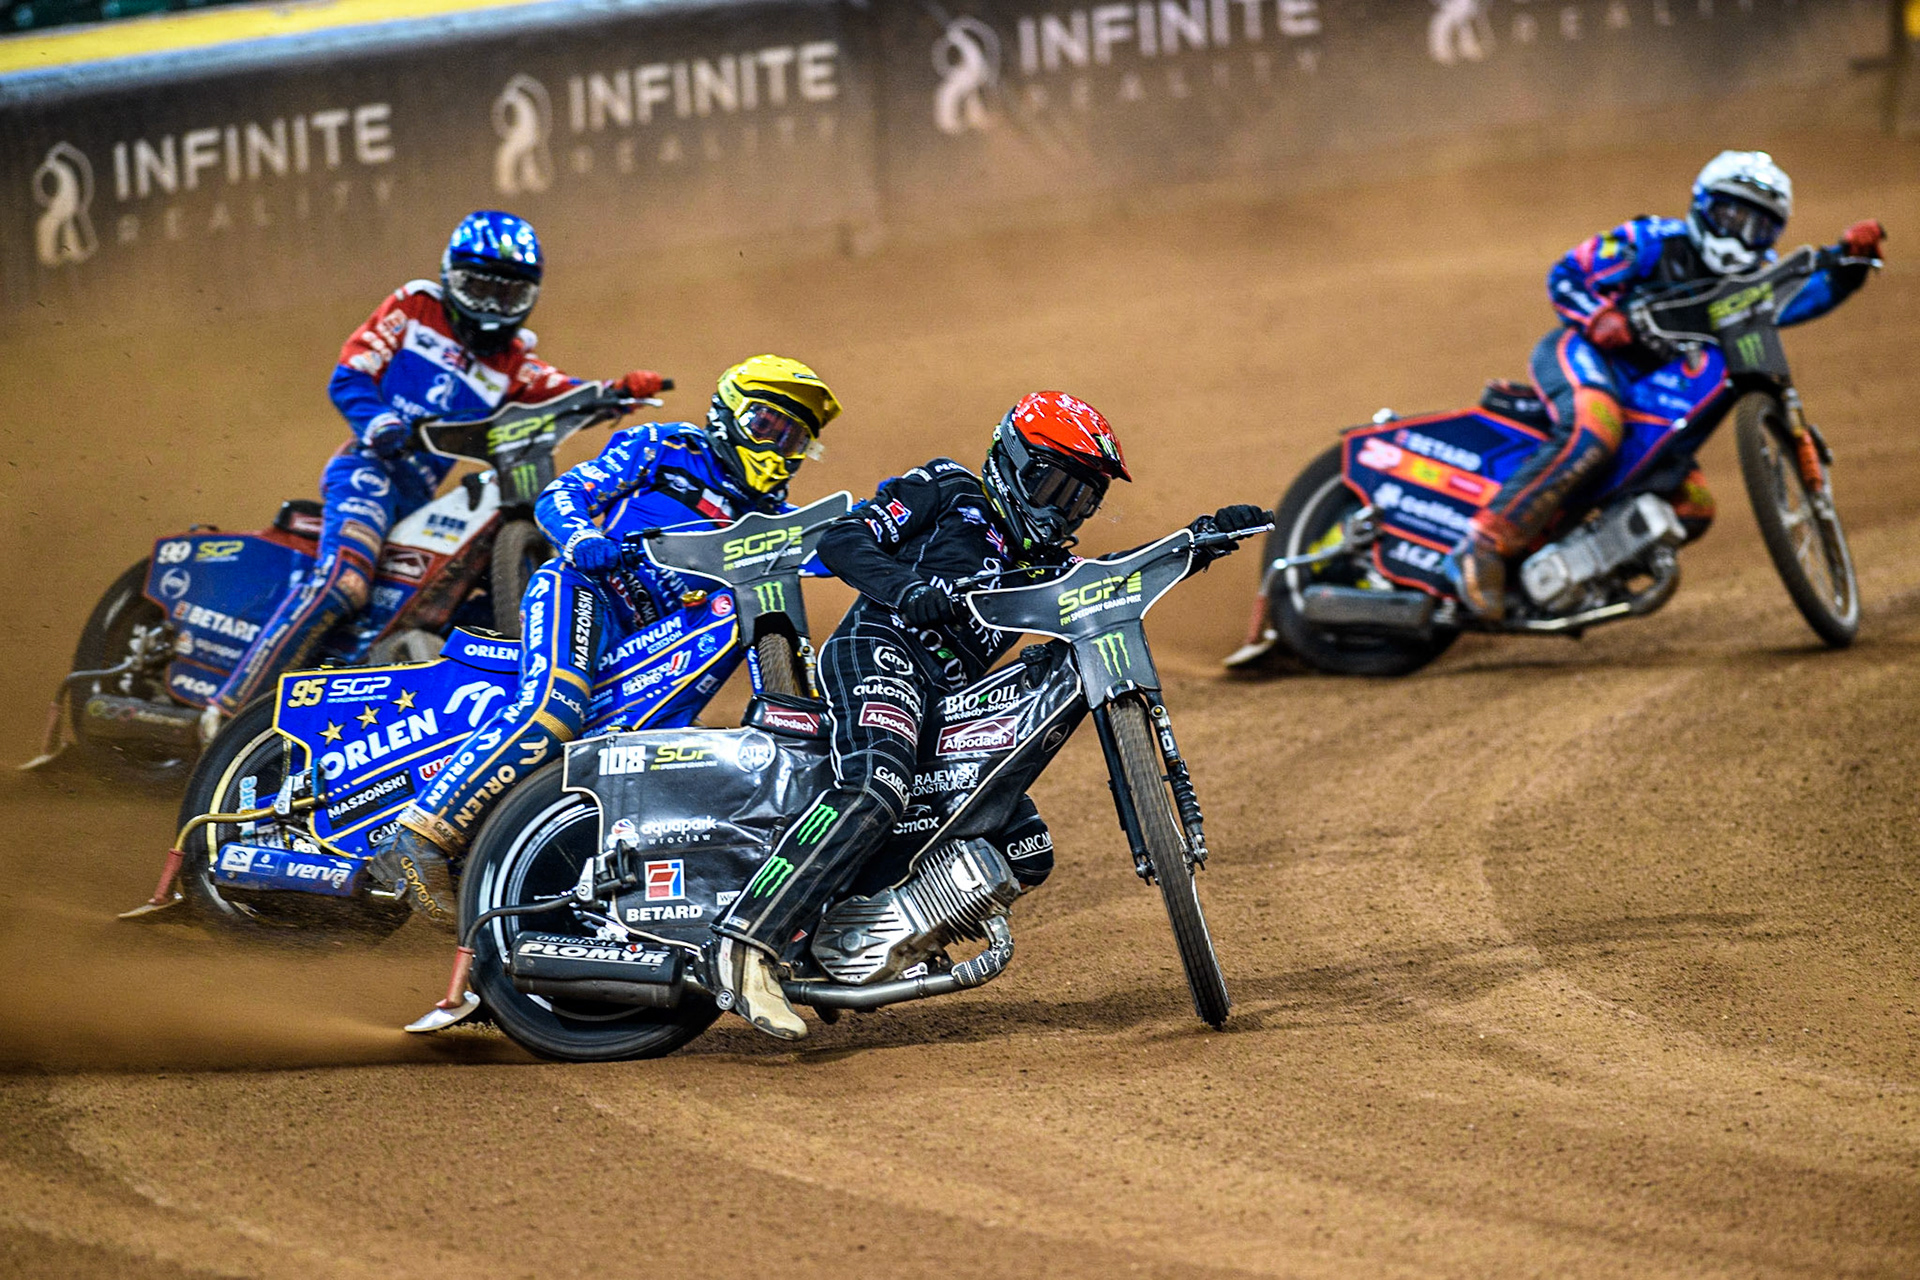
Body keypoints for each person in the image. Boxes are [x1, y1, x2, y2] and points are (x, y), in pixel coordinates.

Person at [709, 390, 1266, 1040]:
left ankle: (848, 950)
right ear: (1013, 460)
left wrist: (1197, 541)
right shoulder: (948, 488)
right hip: (880, 651)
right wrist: (906, 589)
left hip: (942, 697)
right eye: (1055, 484)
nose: (1065, 508)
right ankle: (745, 944)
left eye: (1082, 498)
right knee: (876, 784)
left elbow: (1107, 580)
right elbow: (842, 540)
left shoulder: (1047, 564)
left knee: (1023, 845)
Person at [371, 355, 843, 923]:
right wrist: (583, 536)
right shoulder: (666, 446)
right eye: (766, 426)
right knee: (555, 708)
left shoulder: (771, 522)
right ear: (727, 415)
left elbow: (840, 549)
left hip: (648, 647)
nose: (776, 447)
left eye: (793, 439)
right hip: (586, 590)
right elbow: (561, 494)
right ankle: (418, 836)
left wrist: (894, 527)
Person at [200, 210, 666, 739]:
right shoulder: (414, 307)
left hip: (420, 494)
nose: (491, 307)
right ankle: (229, 709)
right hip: (370, 467)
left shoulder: (516, 362)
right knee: (346, 583)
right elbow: (351, 372)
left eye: (507, 295)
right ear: (450, 276)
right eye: (479, 288)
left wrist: (619, 392)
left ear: (529, 296)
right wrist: (377, 422)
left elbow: (557, 395)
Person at [1446, 150, 1886, 621]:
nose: (1740, 235)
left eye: (1757, 226)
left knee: (1692, 506)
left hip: (1653, 399)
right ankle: (1482, 546)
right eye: (1730, 215)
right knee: (1594, 430)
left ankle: (1566, 576)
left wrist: (1849, 269)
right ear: (1701, 206)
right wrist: (1600, 316)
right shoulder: (1653, 239)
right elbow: (1567, 273)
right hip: (1589, 358)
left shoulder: (1757, 279)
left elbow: (1798, 301)